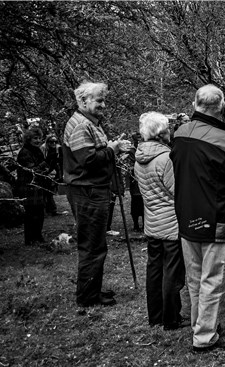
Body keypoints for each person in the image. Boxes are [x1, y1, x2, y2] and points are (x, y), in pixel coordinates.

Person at [170, 84, 225, 352]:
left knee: (195, 278)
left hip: (187, 215)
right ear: (221, 107)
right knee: (214, 279)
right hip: (216, 217)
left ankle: (201, 325)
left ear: (195, 103)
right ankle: (205, 335)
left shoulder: (179, 134)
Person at [63, 81, 132, 307]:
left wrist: (113, 151)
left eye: (104, 100)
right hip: (88, 191)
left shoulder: (90, 123)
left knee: (96, 243)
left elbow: (95, 155)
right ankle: (87, 297)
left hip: (92, 189)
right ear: (83, 101)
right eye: (99, 100)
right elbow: (89, 160)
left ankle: (92, 291)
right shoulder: (82, 125)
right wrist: (112, 149)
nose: (103, 104)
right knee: (92, 245)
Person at [134, 112, 186, 331]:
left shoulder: (140, 158)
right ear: (161, 132)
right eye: (167, 128)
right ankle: (171, 318)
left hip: (152, 221)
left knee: (154, 270)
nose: (170, 132)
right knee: (171, 273)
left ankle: (155, 315)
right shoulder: (166, 159)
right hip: (170, 223)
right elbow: (177, 191)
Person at [17, 127, 51, 245]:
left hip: (37, 186)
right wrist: (44, 165)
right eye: (34, 138)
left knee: (40, 213)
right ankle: (30, 239)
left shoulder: (37, 151)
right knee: (31, 214)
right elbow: (32, 171)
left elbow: (44, 168)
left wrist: (45, 168)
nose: (37, 140)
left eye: (39, 138)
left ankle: (38, 236)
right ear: (28, 139)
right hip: (28, 188)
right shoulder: (25, 152)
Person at [40, 134, 60, 216]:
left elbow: (56, 161)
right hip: (43, 170)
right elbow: (43, 160)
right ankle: (47, 210)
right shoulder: (43, 148)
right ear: (47, 142)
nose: (54, 143)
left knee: (50, 191)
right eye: (51, 141)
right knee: (45, 191)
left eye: (55, 141)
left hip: (52, 170)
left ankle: (52, 210)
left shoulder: (57, 148)